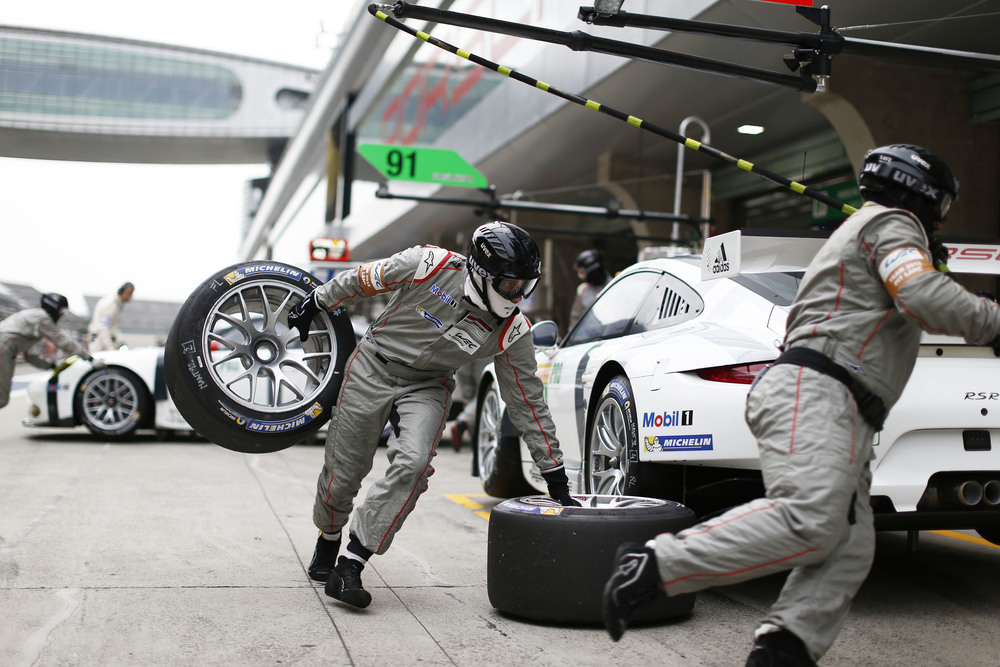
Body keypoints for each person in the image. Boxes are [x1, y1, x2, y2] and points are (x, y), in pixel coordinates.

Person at [601, 144, 1000, 664]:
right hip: (818, 392)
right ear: (921, 192)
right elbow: (923, 296)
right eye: (941, 207)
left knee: (848, 545)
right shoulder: (893, 224)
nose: (941, 221)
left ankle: (783, 648)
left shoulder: (873, 230)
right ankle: (655, 564)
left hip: (838, 404)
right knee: (812, 518)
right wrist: (993, 320)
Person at [287, 221, 579, 609]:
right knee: (344, 472)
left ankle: (351, 564)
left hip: (428, 385)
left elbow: (528, 403)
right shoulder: (427, 264)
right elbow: (361, 279)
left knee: (415, 464)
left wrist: (555, 477)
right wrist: (317, 301)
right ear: (481, 273)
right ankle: (328, 537)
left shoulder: (513, 329)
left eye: (525, 285)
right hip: (373, 365)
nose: (518, 294)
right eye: (510, 284)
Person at [0, 293, 106, 409]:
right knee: (2, 398)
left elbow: (29, 356)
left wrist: (51, 366)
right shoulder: (42, 318)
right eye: (62, 311)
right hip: (4, 346)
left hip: (6, 346)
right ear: (54, 307)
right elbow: (62, 341)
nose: (61, 315)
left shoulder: (31, 324)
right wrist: (89, 358)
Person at [569, 249, 611, 327]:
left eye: (582, 272)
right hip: (589, 333)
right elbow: (575, 317)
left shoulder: (614, 287)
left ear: (591, 270)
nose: (581, 276)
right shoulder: (583, 290)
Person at [88, 282, 134, 352]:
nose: (129, 297)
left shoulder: (117, 304)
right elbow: (103, 327)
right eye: (128, 294)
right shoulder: (111, 304)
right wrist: (110, 348)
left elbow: (114, 328)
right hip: (100, 343)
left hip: (104, 341)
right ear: (122, 291)